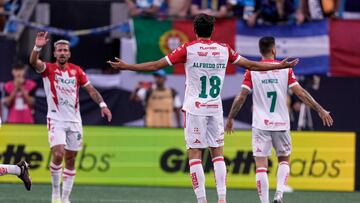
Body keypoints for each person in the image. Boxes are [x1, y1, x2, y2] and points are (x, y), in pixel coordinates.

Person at [108, 14, 298, 203]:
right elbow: (251, 65)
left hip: (194, 109)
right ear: (213, 30)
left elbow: (156, 65)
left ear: (194, 30)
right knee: (218, 154)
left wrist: (128, 66)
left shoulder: (188, 49)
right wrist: (279, 66)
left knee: (195, 154)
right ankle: (222, 199)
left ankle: (202, 200)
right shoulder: (224, 49)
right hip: (215, 108)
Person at [225, 36, 333, 203]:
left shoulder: (252, 70)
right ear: (274, 50)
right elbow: (300, 93)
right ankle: (279, 195)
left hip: (261, 124)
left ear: (260, 51)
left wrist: (231, 118)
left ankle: (265, 202)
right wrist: (320, 109)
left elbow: (241, 97)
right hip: (281, 123)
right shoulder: (285, 69)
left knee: (261, 166)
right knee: (284, 159)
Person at [29, 33, 112, 203]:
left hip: (75, 121)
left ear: (69, 54)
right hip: (56, 119)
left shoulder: (77, 71)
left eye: (65, 50)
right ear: (54, 53)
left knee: (71, 159)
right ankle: (55, 194)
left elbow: (92, 90)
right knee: (58, 154)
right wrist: (37, 47)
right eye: (59, 50)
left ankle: (66, 198)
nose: (62, 53)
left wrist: (103, 105)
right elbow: (33, 62)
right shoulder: (48, 69)